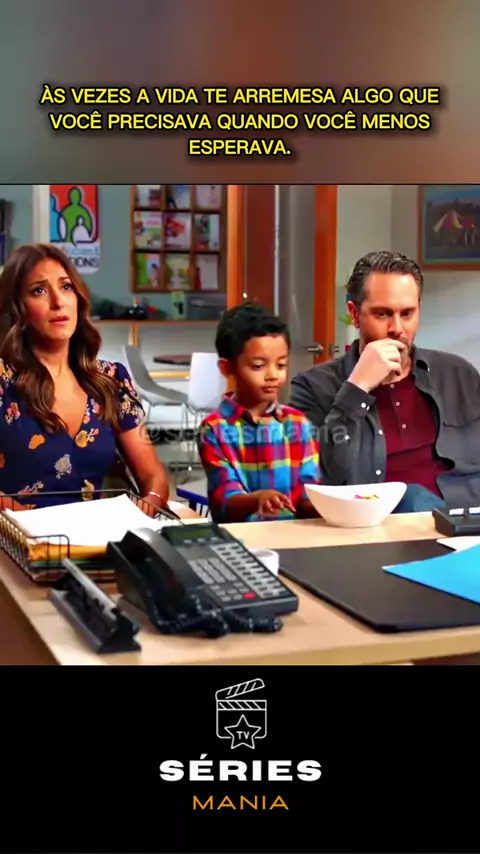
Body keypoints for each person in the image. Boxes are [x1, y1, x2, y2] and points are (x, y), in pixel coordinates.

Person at [289, 249, 480, 511]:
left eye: (407, 313)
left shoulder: (458, 374)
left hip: (465, 520)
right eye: (382, 314)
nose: (397, 329)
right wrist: (357, 388)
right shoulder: (312, 387)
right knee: (412, 497)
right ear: (354, 314)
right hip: (375, 524)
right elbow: (320, 481)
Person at [0, 242, 170, 514]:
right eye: (39, 290)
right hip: (16, 535)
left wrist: (144, 508)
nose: (58, 302)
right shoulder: (3, 380)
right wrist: (34, 527)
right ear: (16, 308)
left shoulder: (111, 380)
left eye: (66, 287)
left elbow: (153, 476)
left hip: (97, 535)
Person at [198, 302, 321, 523]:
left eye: (281, 365)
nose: (273, 375)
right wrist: (257, 500)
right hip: (240, 538)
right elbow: (225, 499)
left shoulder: (298, 423)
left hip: (295, 537)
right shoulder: (214, 429)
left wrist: (329, 506)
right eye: (258, 366)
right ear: (227, 368)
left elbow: (308, 491)